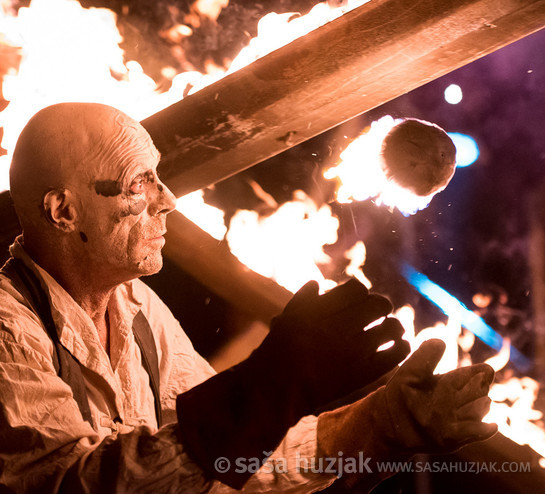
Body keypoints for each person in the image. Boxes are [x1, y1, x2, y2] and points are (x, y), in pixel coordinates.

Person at [0, 102, 497, 492]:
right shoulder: (7, 329)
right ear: (63, 211)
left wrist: (378, 422)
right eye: (139, 183)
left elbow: (223, 467)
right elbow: (72, 486)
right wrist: (270, 382)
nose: (167, 199)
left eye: (159, 177)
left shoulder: (139, 311)